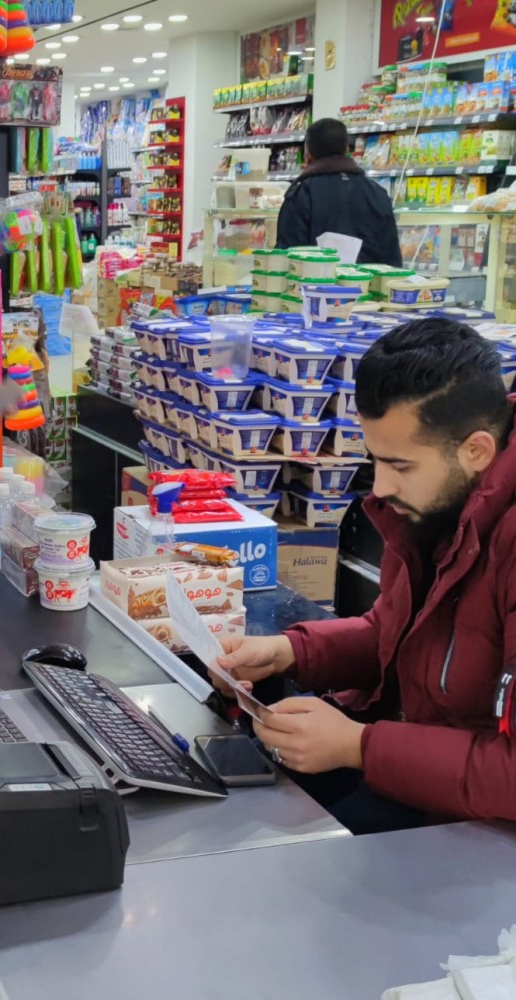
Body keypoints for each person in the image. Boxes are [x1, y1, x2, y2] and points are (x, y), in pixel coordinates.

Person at [215, 319, 516, 835]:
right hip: (416, 782)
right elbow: (399, 635)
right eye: (375, 460)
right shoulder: (438, 510)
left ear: (477, 451)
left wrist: (358, 746)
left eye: (401, 465)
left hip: (477, 837)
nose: (381, 487)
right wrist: (290, 652)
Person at [275, 117, 402, 267]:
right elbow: (393, 262)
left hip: (317, 281)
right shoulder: (378, 193)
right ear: (347, 150)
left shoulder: (302, 195)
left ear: (308, 153)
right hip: (369, 282)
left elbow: (286, 259)